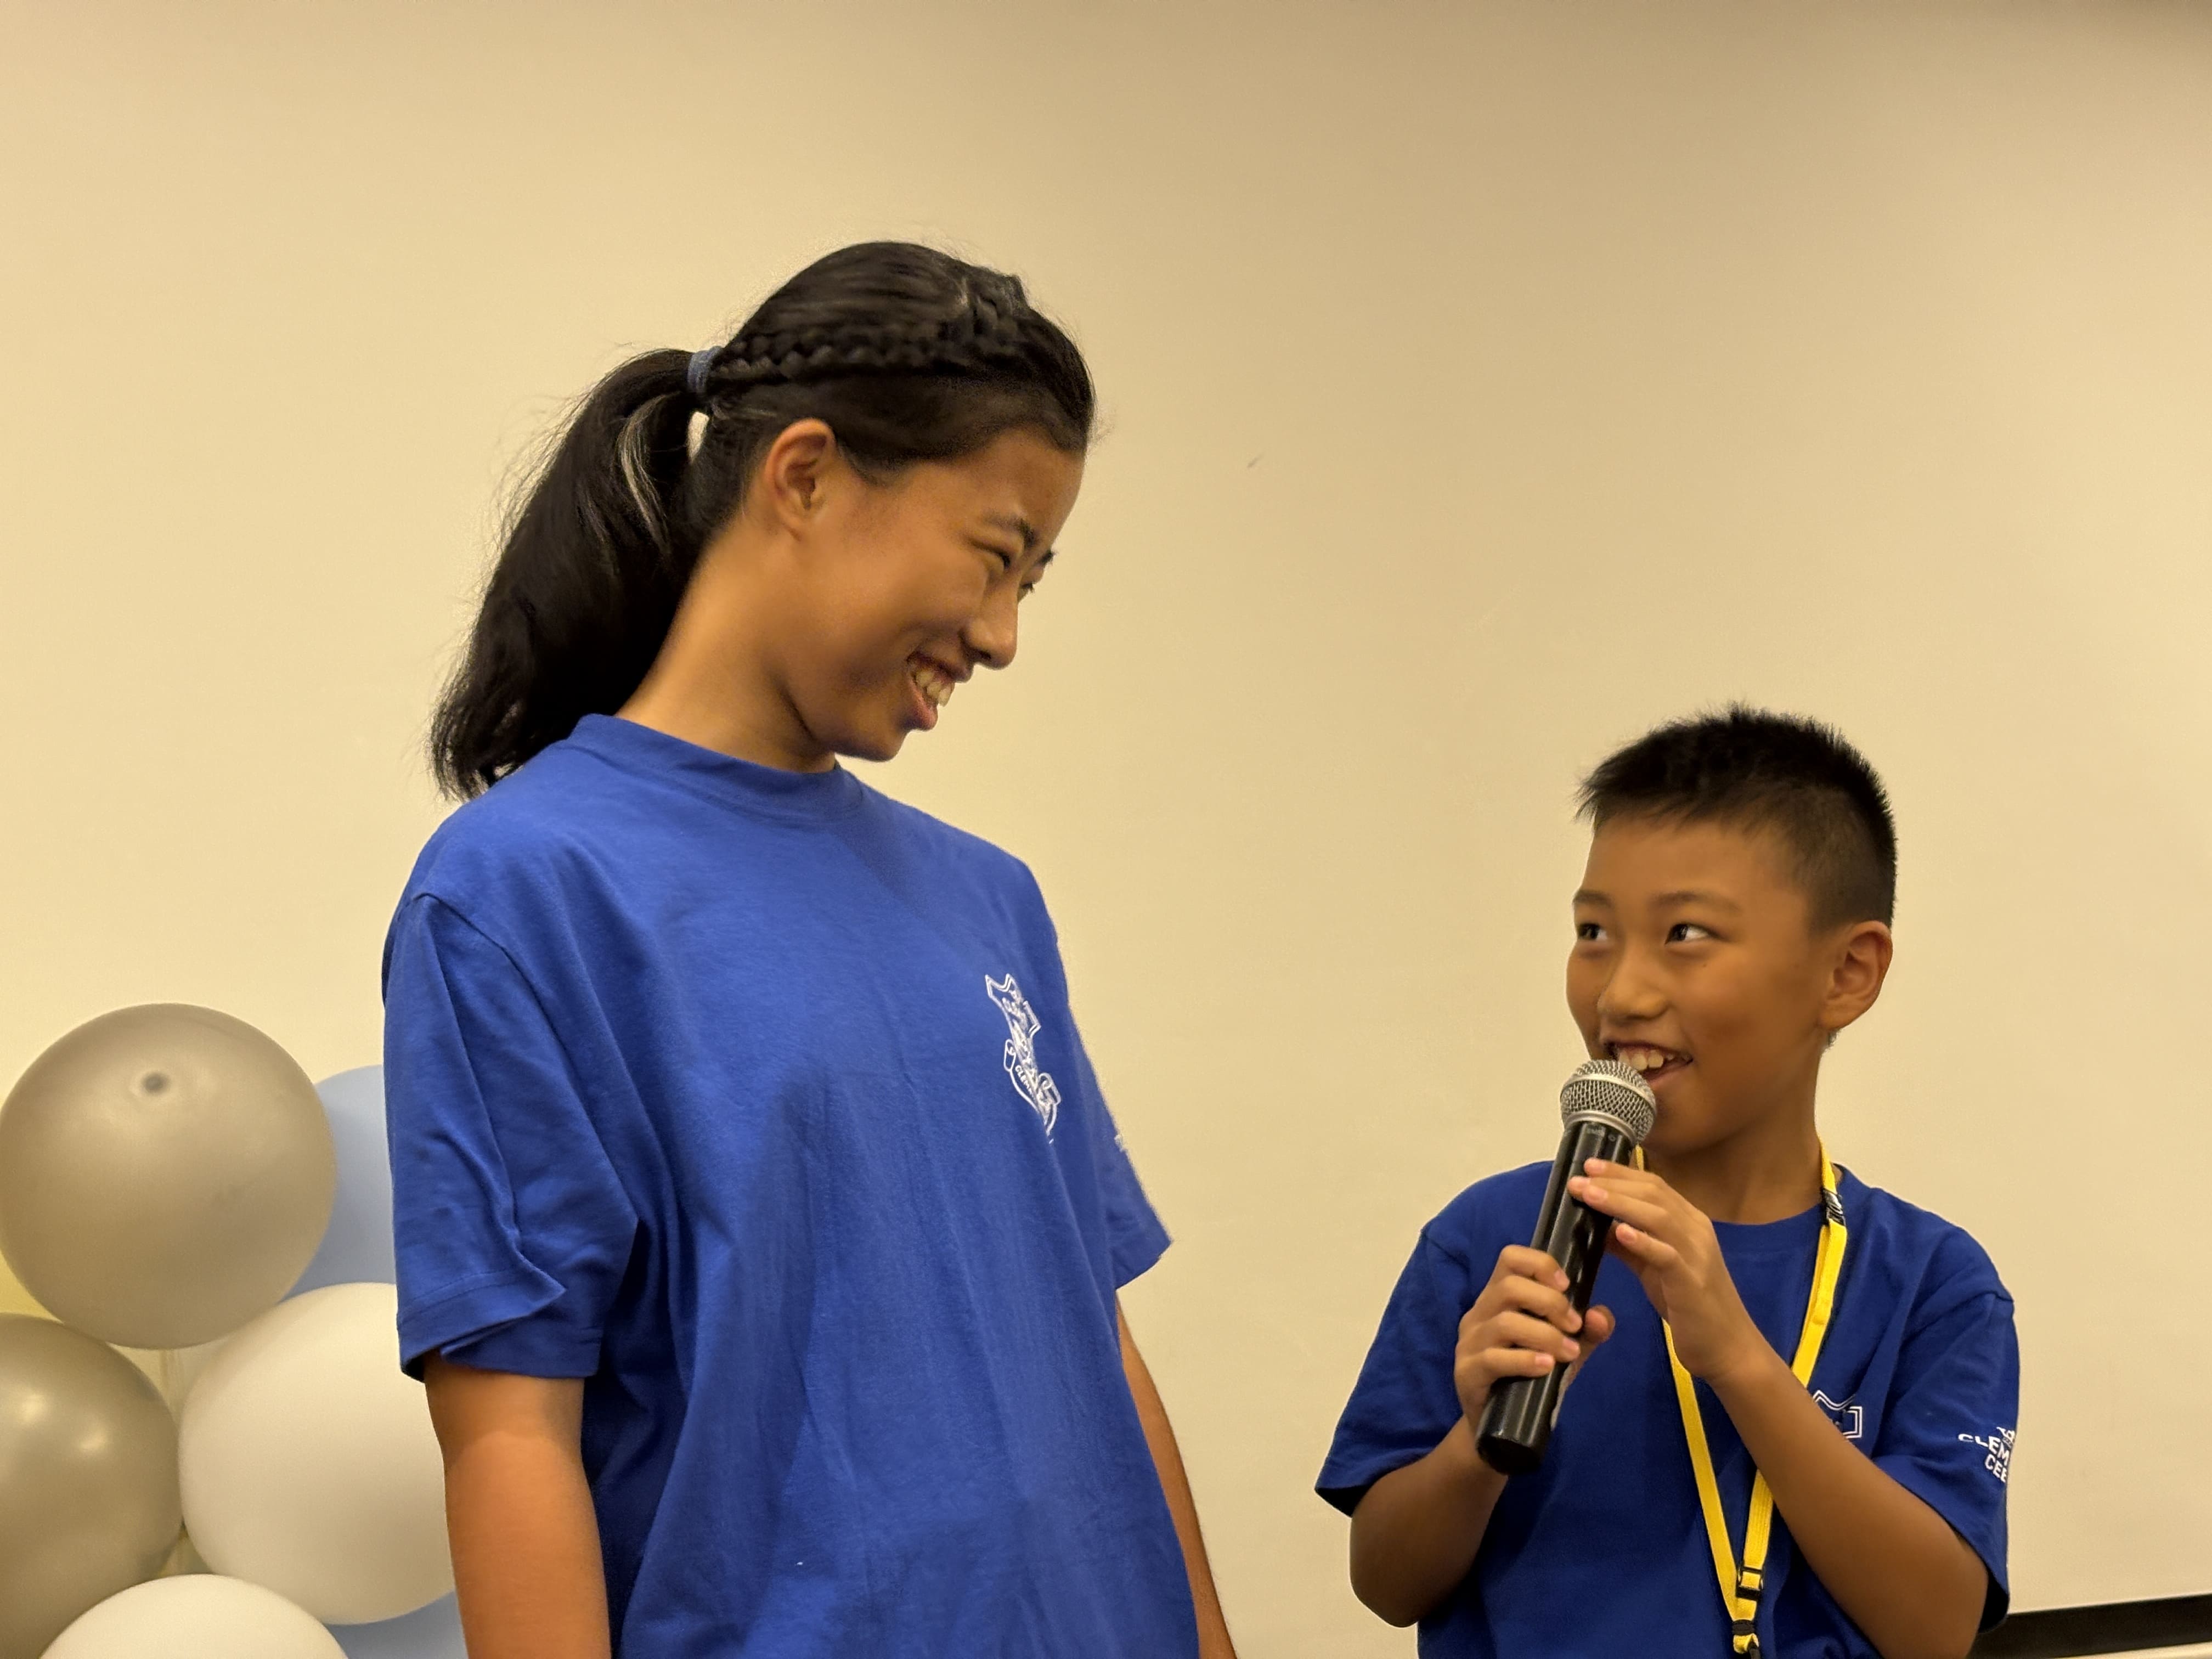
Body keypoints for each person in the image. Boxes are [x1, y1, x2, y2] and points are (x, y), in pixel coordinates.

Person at [382, 242, 1237, 1659]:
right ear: (807, 477)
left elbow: (1096, 1338)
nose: (1004, 636)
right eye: (995, 556)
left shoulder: (989, 899)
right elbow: (510, 1432)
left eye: (1034, 581)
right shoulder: (526, 889)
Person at [1317, 708, 2017, 1659]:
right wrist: (1477, 1443)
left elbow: (1934, 1628)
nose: (1621, 993)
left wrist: (1739, 1358)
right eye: (1593, 931)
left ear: (1847, 972)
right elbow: (1387, 1582)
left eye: (1685, 933)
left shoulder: (1934, 1282)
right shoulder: (1493, 1236)